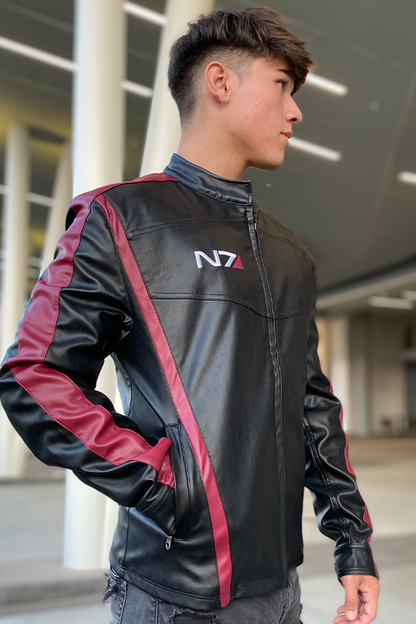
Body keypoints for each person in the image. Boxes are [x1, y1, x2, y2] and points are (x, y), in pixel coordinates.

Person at [0, 7, 379, 624]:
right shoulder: (120, 220)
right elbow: (34, 375)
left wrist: (353, 542)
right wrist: (164, 484)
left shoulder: (290, 253)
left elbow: (311, 404)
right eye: (282, 85)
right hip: (176, 592)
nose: (295, 112)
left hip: (281, 588)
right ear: (220, 82)